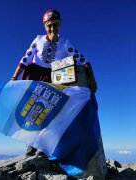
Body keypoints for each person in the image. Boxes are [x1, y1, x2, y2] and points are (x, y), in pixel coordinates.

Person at [11, 10, 97, 156]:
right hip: (34, 75)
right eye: (49, 25)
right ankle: (31, 144)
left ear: (60, 25)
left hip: (53, 78)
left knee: (48, 109)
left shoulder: (65, 44)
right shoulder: (38, 40)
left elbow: (84, 61)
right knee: (31, 109)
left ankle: (44, 145)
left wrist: (92, 79)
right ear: (45, 26)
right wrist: (14, 77)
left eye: (55, 25)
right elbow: (25, 59)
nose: (52, 28)